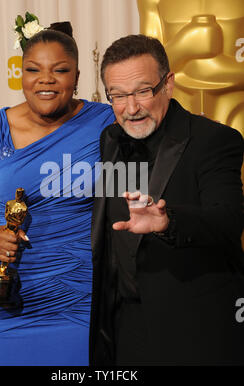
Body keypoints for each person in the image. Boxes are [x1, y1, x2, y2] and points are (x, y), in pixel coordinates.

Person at [0, 22, 115, 366]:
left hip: (78, 298)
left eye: (60, 70)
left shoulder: (106, 124)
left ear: (78, 75)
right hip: (2, 299)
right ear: (21, 74)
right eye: (33, 70)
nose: (46, 80)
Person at [89, 34, 244, 365]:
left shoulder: (213, 140)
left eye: (143, 91)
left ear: (168, 84)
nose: (131, 108)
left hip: (194, 329)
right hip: (124, 329)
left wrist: (168, 221)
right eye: (118, 96)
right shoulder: (111, 139)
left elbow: (228, 222)